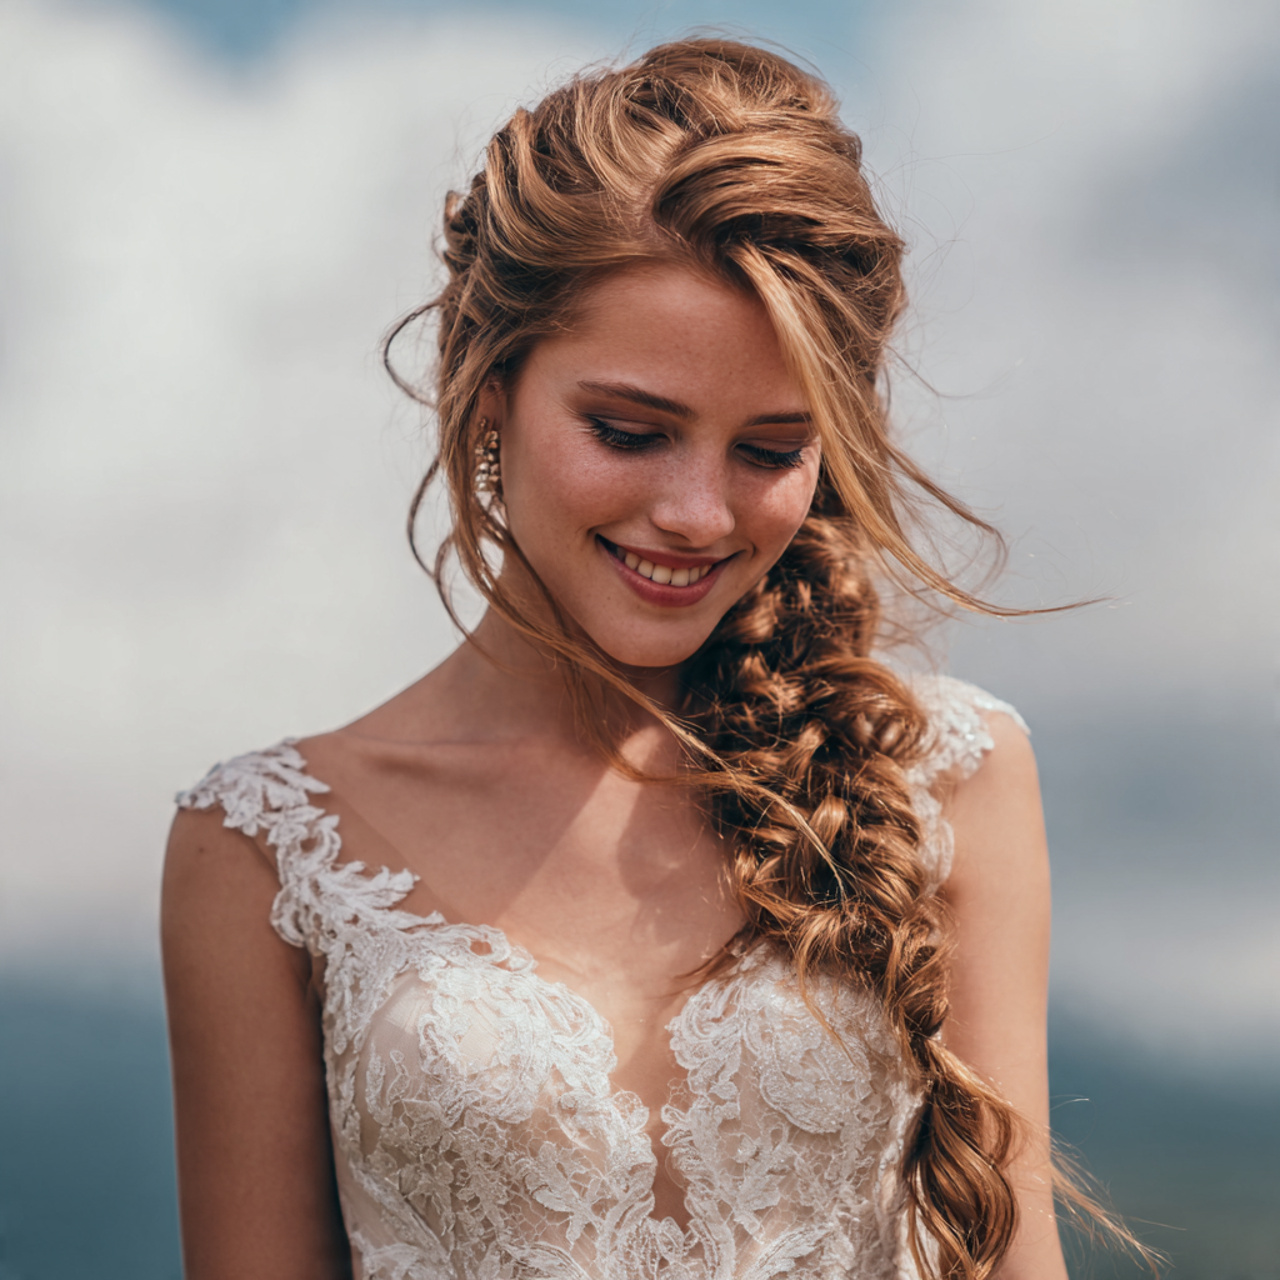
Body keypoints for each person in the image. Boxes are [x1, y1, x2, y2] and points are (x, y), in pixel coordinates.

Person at [161, 38, 1125, 1280]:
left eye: (768, 449)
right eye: (628, 430)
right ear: (487, 386)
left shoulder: (944, 774)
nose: (696, 513)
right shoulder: (264, 846)